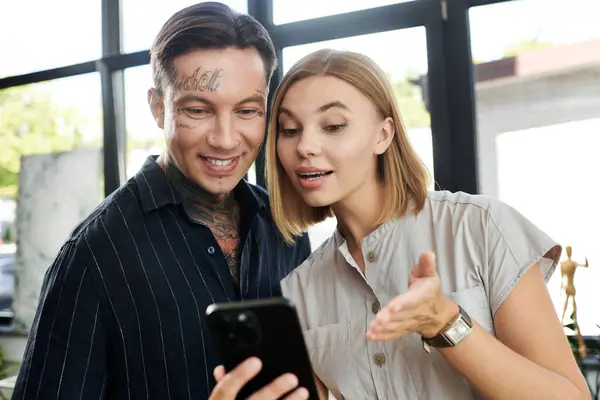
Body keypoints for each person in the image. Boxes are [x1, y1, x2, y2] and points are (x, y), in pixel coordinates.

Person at [11, 3, 312, 399]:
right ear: (158, 108)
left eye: (247, 110)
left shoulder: (285, 228)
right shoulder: (94, 255)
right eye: (198, 110)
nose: (225, 138)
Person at [263, 48, 590, 399]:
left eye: (333, 126)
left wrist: (445, 322)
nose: (305, 146)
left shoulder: (479, 228)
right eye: (290, 129)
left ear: (383, 135)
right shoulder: (298, 291)